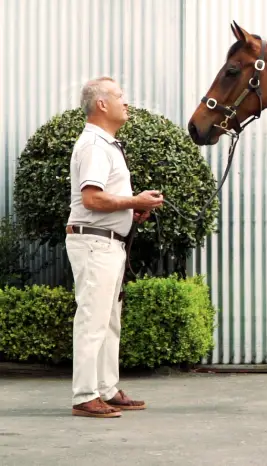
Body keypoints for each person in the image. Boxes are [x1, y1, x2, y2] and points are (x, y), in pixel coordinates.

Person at [65, 76, 164, 418]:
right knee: (93, 320)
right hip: (95, 243)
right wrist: (135, 200)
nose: (126, 102)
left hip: (105, 242)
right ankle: (85, 395)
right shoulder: (95, 145)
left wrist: (129, 210)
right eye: (120, 96)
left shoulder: (104, 144)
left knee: (108, 322)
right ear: (102, 104)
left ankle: (106, 389)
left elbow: (102, 199)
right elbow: (91, 198)